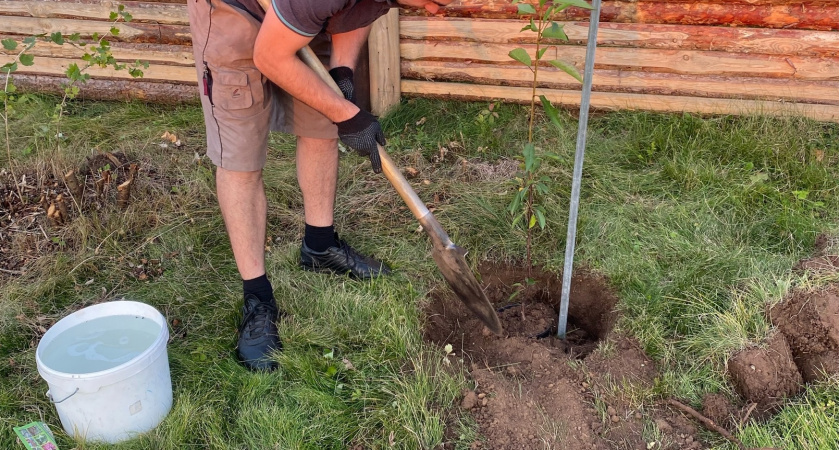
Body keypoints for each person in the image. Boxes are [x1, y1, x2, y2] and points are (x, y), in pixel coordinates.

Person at [186, 0, 452, 371]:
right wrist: (349, 116)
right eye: (435, 2)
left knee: (322, 124)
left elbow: (362, 8)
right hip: (239, 13)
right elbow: (270, 55)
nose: (438, 11)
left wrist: (341, 76)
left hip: (305, 14)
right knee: (241, 158)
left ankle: (320, 246)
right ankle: (258, 298)